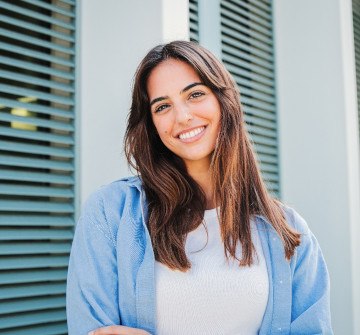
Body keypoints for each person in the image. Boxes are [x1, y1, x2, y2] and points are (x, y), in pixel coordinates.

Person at [66, 41, 333, 335]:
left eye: (195, 94)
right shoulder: (109, 213)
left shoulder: (289, 232)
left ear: (223, 100)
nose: (182, 117)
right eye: (163, 106)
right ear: (151, 123)